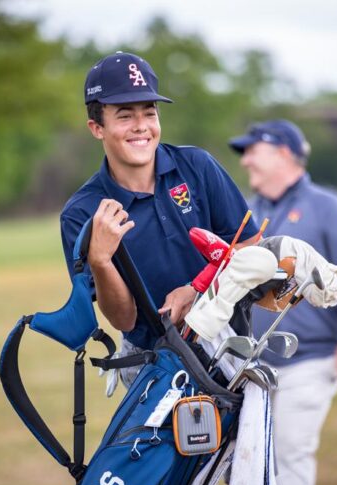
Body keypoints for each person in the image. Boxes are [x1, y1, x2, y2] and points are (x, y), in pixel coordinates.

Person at [60, 51, 260, 362]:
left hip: (231, 345)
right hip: (152, 362)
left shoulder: (197, 165)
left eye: (149, 113)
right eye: (125, 116)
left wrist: (196, 289)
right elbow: (124, 321)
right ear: (97, 128)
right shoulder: (82, 214)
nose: (141, 126)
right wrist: (100, 261)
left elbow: (249, 247)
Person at [228, 119, 337, 485]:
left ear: (284, 154)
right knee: (253, 461)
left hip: (310, 358)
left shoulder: (327, 207)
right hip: (254, 365)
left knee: (289, 456)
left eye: (253, 152)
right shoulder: (249, 211)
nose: (246, 163)